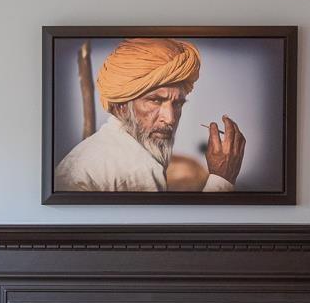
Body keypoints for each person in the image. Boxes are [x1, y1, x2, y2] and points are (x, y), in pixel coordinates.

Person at [52, 37, 245, 193]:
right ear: (121, 106)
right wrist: (222, 180)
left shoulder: (92, 152)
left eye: (177, 103)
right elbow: (163, 239)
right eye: (155, 101)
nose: (169, 118)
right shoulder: (138, 168)